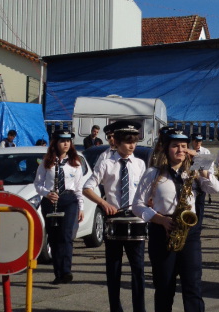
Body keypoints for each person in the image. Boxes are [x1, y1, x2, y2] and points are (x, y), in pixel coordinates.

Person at [132, 128, 219, 312]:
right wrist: (160, 219)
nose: (180, 150)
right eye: (175, 146)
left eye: (183, 146)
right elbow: (137, 205)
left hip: (189, 232)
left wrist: (201, 163)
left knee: (193, 286)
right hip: (162, 230)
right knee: (164, 287)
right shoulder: (153, 173)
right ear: (166, 148)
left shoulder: (194, 171)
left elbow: (215, 188)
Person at [83, 121, 147, 312]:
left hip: (135, 220)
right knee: (114, 270)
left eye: (134, 141)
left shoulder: (140, 164)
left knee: (138, 270)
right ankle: (115, 308)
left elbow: (145, 190)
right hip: (115, 220)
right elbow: (87, 187)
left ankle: (140, 309)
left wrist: (149, 201)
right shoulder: (107, 163)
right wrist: (104, 204)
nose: (132, 145)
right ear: (117, 142)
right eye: (127, 141)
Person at [33, 129, 84, 285]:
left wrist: (81, 207)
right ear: (55, 143)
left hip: (69, 200)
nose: (66, 144)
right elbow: (38, 184)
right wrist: (47, 193)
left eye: (68, 141)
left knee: (66, 235)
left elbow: (78, 188)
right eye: (62, 141)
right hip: (51, 201)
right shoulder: (46, 162)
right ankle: (58, 273)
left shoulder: (75, 162)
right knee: (54, 237)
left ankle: (66, 271)